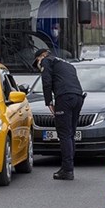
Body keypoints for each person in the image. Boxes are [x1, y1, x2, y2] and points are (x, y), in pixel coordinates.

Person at [33, 49, 85, 180]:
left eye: (37, 61)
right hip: (78, 97)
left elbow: (46, 82)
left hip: (64, 98)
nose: (38, 65)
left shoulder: (46, 60)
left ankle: (67, 170)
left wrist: (48, 102)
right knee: (71, 133)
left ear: (42, 56)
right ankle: (68, 167)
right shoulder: (67, 64)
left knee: (64, 134)